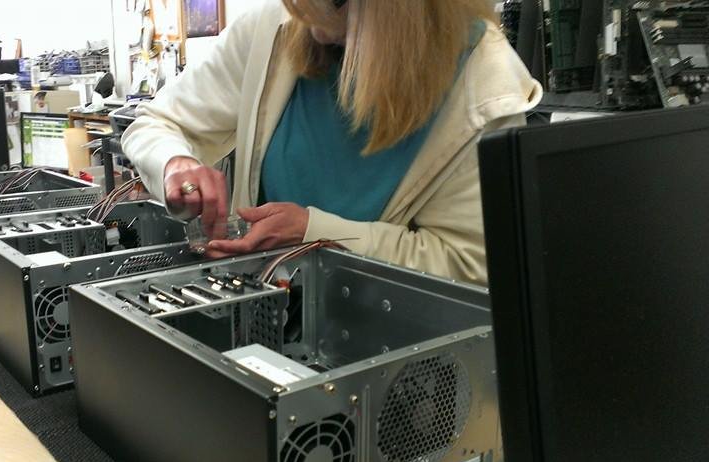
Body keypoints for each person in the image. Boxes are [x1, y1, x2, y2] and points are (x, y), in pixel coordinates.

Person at [122, 0, 542, 285]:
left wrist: (315, 232)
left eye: (331, 11)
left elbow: (470, 268)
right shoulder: (273, 30)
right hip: (264, 326)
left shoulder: (485, 90)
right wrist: (175, 164)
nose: (317, 35)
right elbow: (156, 123)